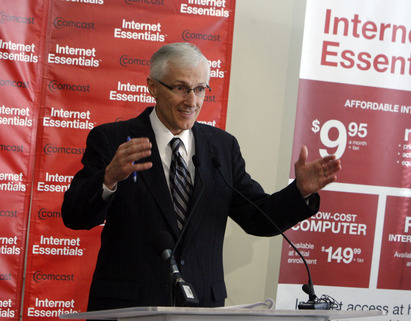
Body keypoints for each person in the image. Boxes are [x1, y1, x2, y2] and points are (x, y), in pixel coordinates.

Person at [61, 42, 341, 311]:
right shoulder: (113, 140)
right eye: (180, 88)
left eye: (199, 89)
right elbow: (75, 216)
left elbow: (258, 218)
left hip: (201, 307)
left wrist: (299, 191)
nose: (191, 101)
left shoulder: (221, 146)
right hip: (129, 305)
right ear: (153, 87)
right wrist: (109, 177)